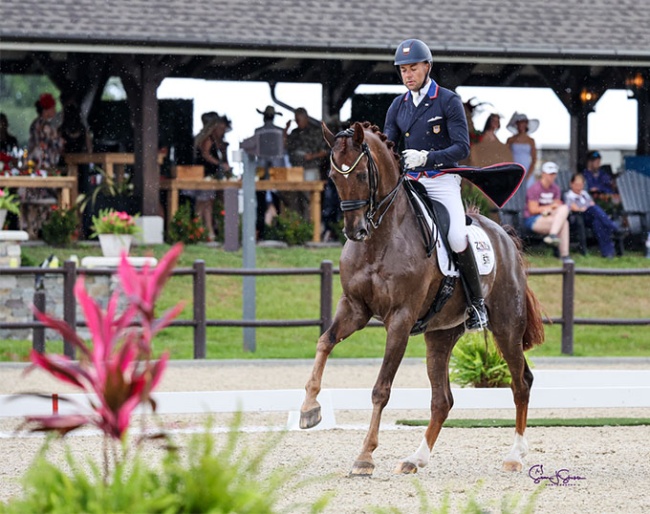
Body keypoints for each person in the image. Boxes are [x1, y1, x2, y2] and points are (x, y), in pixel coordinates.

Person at [383, 38, 486, 331]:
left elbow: (461, 148)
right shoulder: (397, 105)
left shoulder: (447, 100)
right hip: (410, 183)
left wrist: (427, 157)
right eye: (403, 70)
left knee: (455, 237)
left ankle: (477, 305)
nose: (408, 75)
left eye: (413, 69)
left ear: (427, 67)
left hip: (441, 180)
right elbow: (389, 144)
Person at [191, 113, 232, 241]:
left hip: (208, 175)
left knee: (208, 203)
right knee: (202, 204)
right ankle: (199, 230)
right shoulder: (208, 139)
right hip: (203, 175)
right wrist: (220, 164)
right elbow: (205, 154)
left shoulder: (216, 141)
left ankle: (208, 231)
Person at [284, 107, 328, 218]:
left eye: (299, 120)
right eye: (296, 120)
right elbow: (285, 146)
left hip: (310, 168)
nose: (297, 123)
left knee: (310, 198)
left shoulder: (316, 132)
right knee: (295, 199)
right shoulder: (294, 133)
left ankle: (312, 225)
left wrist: (312, 156)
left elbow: (325, 151)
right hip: (296, 170)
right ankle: (300, 225)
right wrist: (285, 130)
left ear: (305, 118)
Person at [565, 173, 621, 258]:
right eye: (576, 184)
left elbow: (591, 203)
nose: (579, 187)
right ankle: (613, 226)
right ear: (571, 184)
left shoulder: (584, 194)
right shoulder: (569, 195)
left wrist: (586, 206)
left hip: (590, 217)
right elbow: (575, 208)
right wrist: (585, 207)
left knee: (598, 222)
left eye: (581, 185)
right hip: (578, 218)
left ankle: (607, 253)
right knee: (593, 208)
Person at [524, 161, 570, 260]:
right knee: (564, 223)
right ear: (543, 174)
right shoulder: (534, 188)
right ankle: (564, 254)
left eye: (554, 174)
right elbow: (533, 210)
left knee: (565, 210)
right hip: (533, 220)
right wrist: (549, 207)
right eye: (550, 174)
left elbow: (557, 206)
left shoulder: (556, 188)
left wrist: (551, 208)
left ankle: (554, 237)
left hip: (550, 217)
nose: (552, 176)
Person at [253, 105, 284, 238]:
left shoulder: (258, 131)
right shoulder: (280, 132)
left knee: (260, 204)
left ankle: (261, 231)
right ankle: (275, 231)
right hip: (276, 173)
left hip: (262, 173)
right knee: (275, 202)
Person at [582, 150, 620, 215]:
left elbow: (611, 183)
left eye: (599, 161)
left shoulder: (602, 173)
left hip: (610, 197)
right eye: (596, 161)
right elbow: (592, 189)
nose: (599, 163)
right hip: (597, 199)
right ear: (590, 162)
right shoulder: (585, 175)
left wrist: (614, 184)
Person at [506, 112, 539, 188]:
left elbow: (534, 159)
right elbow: (506, 156)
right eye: (519, 123)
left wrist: (528, 175)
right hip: (514, 170)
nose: (521, 125)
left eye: (523, 122)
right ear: (516, 124)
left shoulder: (531, 140)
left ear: (526, 124)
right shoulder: (510, 140)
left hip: (527, 170)